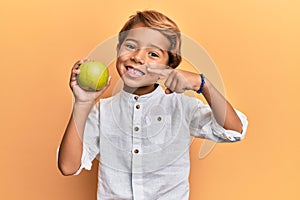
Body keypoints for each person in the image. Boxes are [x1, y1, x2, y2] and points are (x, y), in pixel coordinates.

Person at [57, 10, 248, 200]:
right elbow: (68, 166)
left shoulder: (181, 106)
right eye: (131, 45)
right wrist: (82, 103)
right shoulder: (102, 112)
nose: (138, 58)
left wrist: (202, 84)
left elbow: (235, 130)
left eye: (153, 54)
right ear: (118, 49)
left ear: (169, 68)